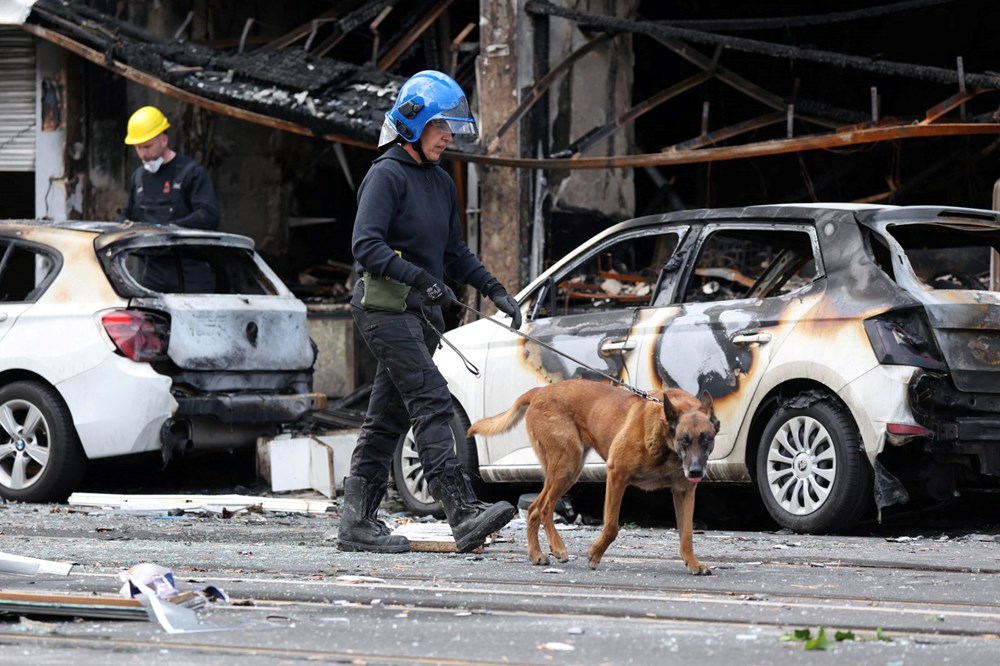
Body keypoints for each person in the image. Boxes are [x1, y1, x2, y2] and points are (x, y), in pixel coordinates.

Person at [337, 70, 523, 554]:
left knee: (386, 418)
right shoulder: (386, 175)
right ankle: (461, 511)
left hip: (422, 315)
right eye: (442, 126)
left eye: (453, 127)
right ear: (414, 123)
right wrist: (421, 278)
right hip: (384, 310)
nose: (448, 136)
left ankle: (356, 522)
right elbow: (366, 246)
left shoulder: (440, 182)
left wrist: (495, 290)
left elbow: (454, 251)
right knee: (432, 399)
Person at [118, 105, 219, 229]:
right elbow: (125, 216)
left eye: (147, 146)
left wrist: (169, 229)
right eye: (137, 148)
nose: (143, 154)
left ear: (164, 140)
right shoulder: (138, 177)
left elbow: (208, 215)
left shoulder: (192, 173)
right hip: (144, 246)